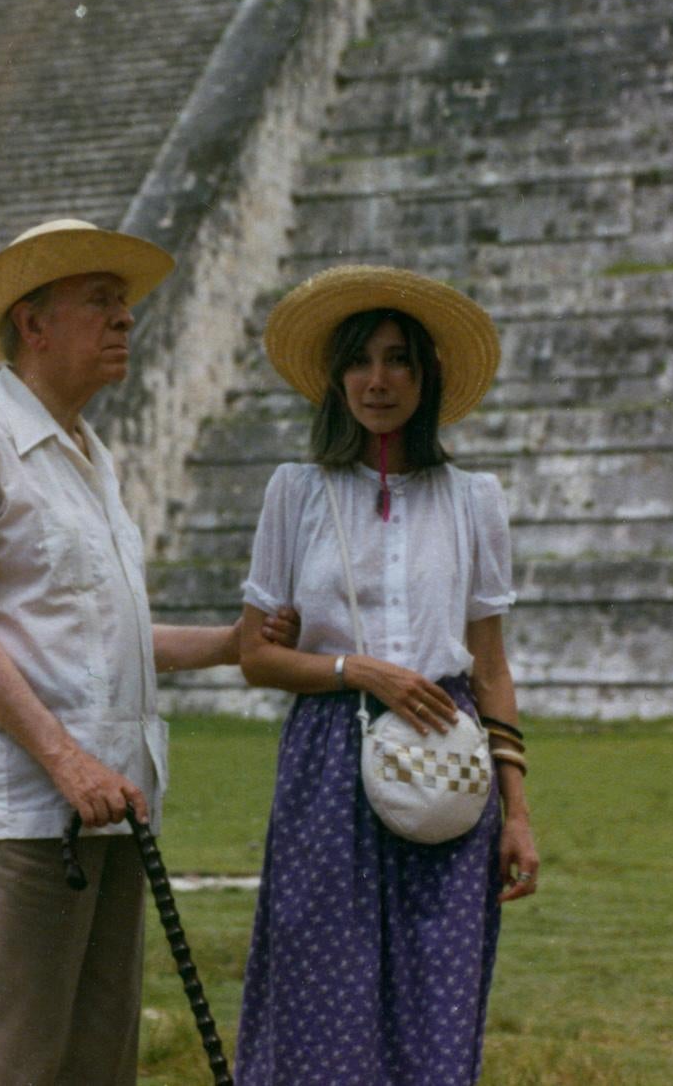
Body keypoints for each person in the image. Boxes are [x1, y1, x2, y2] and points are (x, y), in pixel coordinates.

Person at [0, 217, 298, 1086]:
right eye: (99, 302)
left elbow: (105, 639)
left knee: (98, 1062)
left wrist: (235, 647)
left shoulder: (93, 460)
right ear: (33, 323)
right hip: (25, 809)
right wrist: (66, 762)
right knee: (11, 1063)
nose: (125, 321)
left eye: (123, 306)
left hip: (116, 798)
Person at [235, 263, 539, 1086]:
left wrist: (517, 813)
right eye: (361, 360)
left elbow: (492, 664)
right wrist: (354, 668)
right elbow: (258, 655)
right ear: (335, 378)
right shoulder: (295, 494)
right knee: (318, 988)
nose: (379, 380)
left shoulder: (474, 500)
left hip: (448, 752)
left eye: (399, 358)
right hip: (330, 759)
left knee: (436, 990)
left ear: (428, 374)